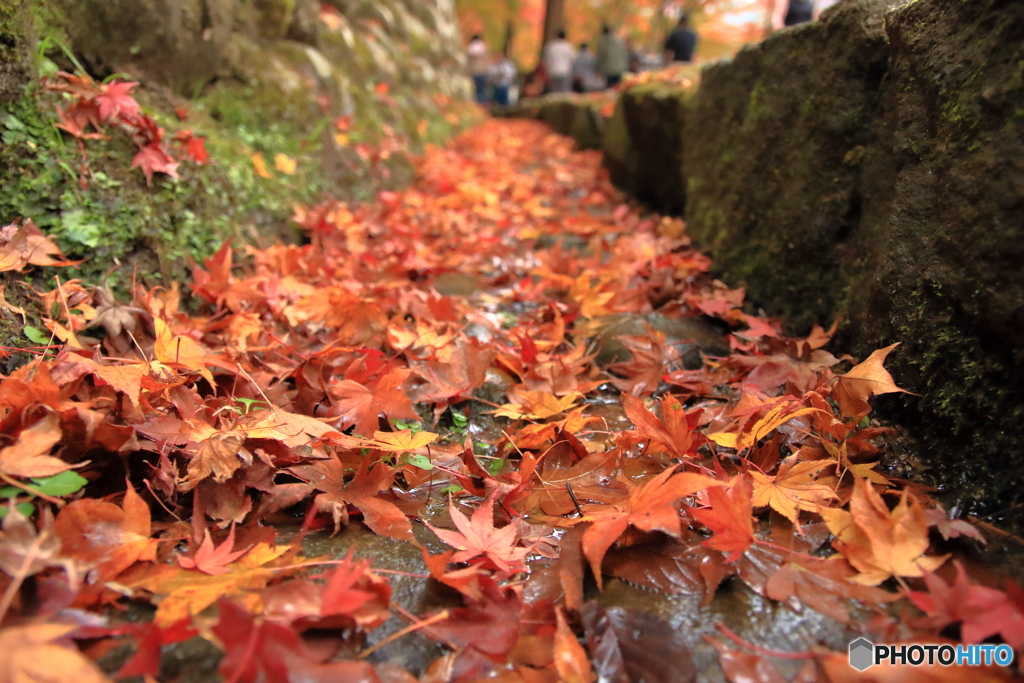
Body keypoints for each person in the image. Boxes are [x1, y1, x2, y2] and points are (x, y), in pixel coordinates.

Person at [467, 35, 489, 103]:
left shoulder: (469, 49)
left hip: (474, 72)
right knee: (482, 89)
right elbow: (487, 60)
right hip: (484, 72)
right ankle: (482, 102)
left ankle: (478, 102)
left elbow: (468, 62)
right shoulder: (484, 48)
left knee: (476, 90)